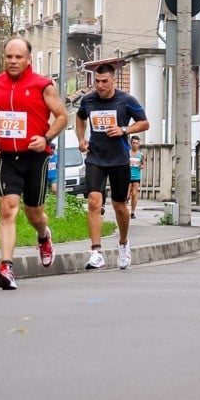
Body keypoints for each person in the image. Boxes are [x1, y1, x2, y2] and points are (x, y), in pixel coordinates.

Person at [0, 37, 68, 290]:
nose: (13, 61)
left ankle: (43, 236)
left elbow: (62, 117)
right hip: (6, 157)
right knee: (8, 209)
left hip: (35, 158)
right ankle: (6, 267)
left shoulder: (43, 86)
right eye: (9, 57)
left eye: (18, 57)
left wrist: (45, 138)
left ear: (28, 59)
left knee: (34, 214)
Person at [76, 63, 150, 270]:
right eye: (97, 81)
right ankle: (96, 252)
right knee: (94, 201)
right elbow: (80, 118)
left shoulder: (126, 101)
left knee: (120, 207)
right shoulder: (88, 100)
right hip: (95, 158)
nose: (100, 86)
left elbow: (144, 123)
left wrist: (123, 129)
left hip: (119, 160)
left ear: (113, 81)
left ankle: (124, 243)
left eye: (104, 81)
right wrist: (81, 139)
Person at [127, 135, 145, 218]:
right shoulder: (127, 153)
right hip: (127, 176)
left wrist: (141, 166)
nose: (135, 144)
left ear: (139, 144)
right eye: (133, 143)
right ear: (131, 143)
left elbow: (143, 165)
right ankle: (126, 202)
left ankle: (133, 212)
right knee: (127, 195)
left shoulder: (141, 155)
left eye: (137, 143)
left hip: (136, 176)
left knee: (134, 193)